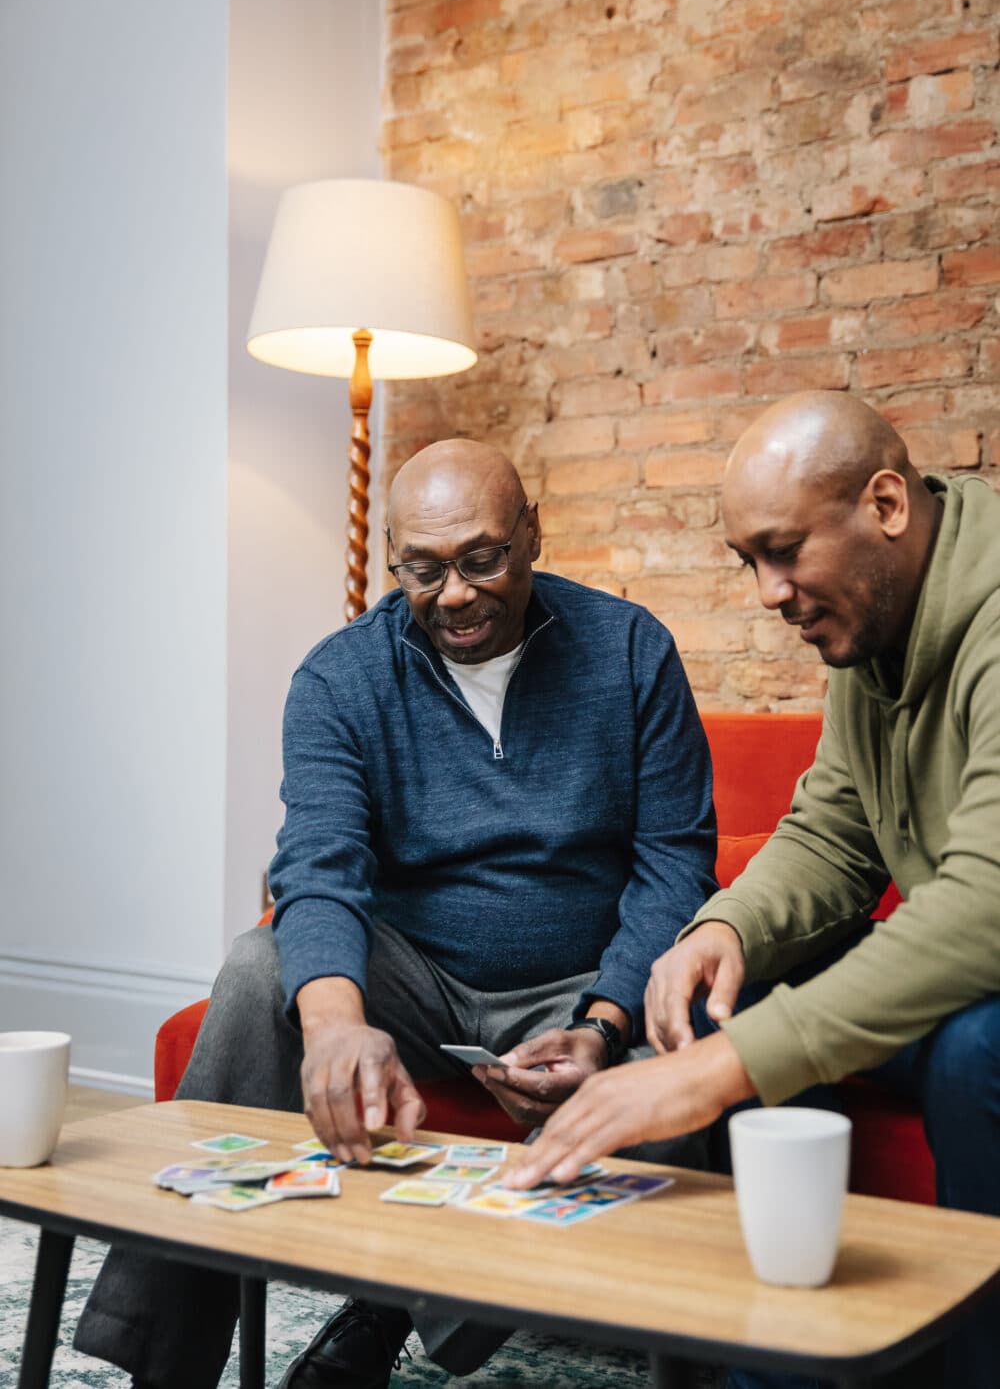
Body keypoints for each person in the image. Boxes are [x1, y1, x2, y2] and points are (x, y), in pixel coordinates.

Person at [73, 437, 718, 1389]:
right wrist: (333, 1024)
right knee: (258, 973)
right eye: (421, 568)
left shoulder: (630, 651)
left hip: (584, 982)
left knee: (695, 1032)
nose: (453, 593)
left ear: (532, 535)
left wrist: (605, 1022)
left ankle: (396, 1308)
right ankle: (162, 1365)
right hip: (417, 975)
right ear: (392, 561)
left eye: (481, 559)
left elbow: (675, 866)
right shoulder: (341, 676)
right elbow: (318, 865)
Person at [508, 391, 1000, 1388]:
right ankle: (768, 1366)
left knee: (974, 1048)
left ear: (887, 505)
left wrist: (713, 1071)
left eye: (784, 551)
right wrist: (722, 927)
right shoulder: (874, 619)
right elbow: (832, 830)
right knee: (741, 992)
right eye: (748, 561)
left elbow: (987, 902)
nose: (769, 593)